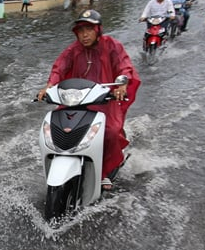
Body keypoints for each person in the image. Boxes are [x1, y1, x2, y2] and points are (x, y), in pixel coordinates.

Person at [36, 10, 141, 190]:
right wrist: (49, 85)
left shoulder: (112, 46)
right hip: (77, 99)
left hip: (104, 101)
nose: (84, 35)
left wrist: (122, 85)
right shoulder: (73, 50)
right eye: (81, 30)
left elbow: (124, 65)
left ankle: (106, 170)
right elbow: (59, 67)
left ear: (97, 30)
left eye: (89, 29)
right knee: (59, 128)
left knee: (111, 131)